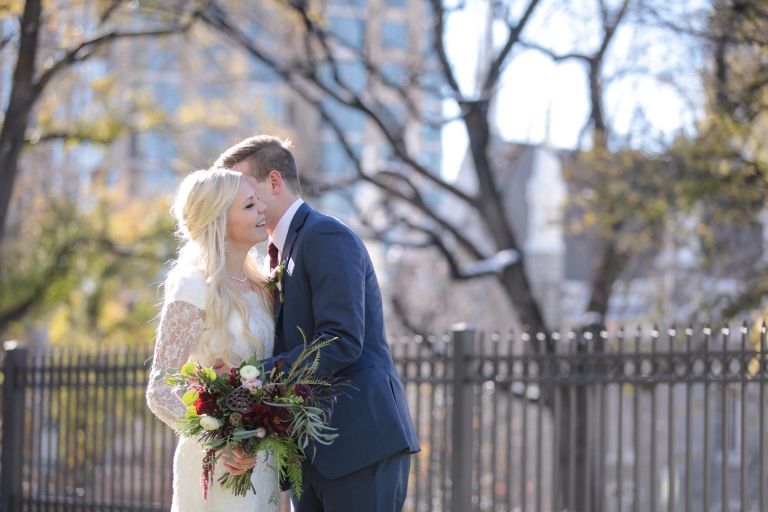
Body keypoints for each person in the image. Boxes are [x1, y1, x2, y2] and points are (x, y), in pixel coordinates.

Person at [214, 135, 420, 512]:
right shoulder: (276, 255)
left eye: (244, 189)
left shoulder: (324, 235)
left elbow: (340, 339)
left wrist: (251, 376)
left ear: (274, 182)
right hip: (309, 456)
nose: (237, 200)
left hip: (359, 447)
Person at [146, 168, 277, 511]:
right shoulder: (192, 285)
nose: (263, 208)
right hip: (216, 464)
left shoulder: (264, 286)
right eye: (250, 205)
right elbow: (159, 390)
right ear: (220, 220)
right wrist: (220, 440)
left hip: (264, 459)